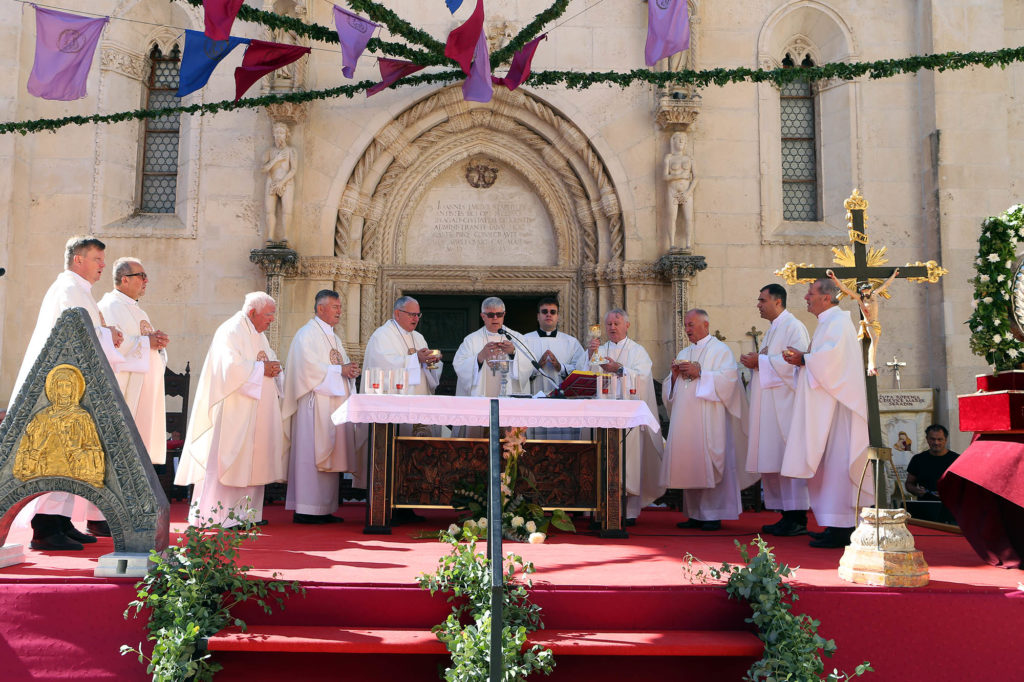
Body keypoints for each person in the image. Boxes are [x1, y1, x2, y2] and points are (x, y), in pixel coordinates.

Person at [9, 236, 125, 551]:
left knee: (71, 456)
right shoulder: (68, 289)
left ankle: (61, 521)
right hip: (60, 388)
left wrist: (106, 333)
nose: (103, 265)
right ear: (78, 260)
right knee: (57, 456)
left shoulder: (78, 290)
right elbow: (72, 334)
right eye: (98, 259)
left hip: (74, 384)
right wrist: (107, 333)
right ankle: (45, 529)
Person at [175, 292, 287, 527]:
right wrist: (261, 369)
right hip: (233, 411)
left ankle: (246, 515)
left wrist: (275, 369)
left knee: (253, 459)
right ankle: (218, 516)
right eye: (268, 315)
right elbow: (230, 369)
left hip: (255, 410)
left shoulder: (258, 335)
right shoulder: (231, 330)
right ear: (252, 313)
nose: (272, 320)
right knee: (230, 459)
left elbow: (266, 360)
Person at [781, 277, 872, 549]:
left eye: (810, 294)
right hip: (830, 405)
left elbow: (832, 362)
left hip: (840, 410)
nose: (806, 298)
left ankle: (843, 528)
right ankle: (835, 524)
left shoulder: (839, 322)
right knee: (829, 468)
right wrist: (804, 358)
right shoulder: (828, 323)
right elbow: (825, 360)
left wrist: (805, 358)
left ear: (827, 297)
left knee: (837, 467)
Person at [662, 309, 748, 531]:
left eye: (691, 324)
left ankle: (712, 515)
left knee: (709, 461)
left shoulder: (721, 351)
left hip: (711, 418)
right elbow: (672, 389)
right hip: (686, 419)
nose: (687, 329)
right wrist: (673, 375)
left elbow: (730, 381)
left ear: (706, 325)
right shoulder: (685, 351)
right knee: (691, 462)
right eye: (686, 325)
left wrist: (701, 372)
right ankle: (695, 514)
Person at [281, 290, 360, 524]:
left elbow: (337, 365)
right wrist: (340, 371)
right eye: (335, 307)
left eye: (340, 307)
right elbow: (307, 370)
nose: (340, 311)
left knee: (330, 454)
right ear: (320, 308)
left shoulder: (333, 337)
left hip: (331, 405)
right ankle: (306, 509)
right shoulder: (306, 334)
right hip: (313, 406)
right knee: (311, 454)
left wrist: (349, 371)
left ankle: (324, 508)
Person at [740, 284, 811, 536]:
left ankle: (797, 516)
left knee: (788, 458)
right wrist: (757, 362)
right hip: (770, 406)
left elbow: (798, 365)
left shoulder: (794, 327)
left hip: (786, 407)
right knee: (774, 459)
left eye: (762, 300)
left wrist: (760, 361)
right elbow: (772, 361)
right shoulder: (773, 330)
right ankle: (784, 514)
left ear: (778, 301)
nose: (758, 304)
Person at [588, 308, 665, 522]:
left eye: (617, 323)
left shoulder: (637, 351)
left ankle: (629, 511)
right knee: (601, 460)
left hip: (628, 417)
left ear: (627, 325)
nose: (612, 327)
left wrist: (620, 369)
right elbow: (585, 378)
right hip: (602, 416)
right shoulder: (599, 350)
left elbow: (643, 377)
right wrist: (589, 358)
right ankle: (600, 508)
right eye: (609, 324)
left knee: (630, 462)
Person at [98, 258, 169, 471]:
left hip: (144, 388)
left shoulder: (139, 311)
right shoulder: (109, 306)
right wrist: (147, 342)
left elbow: (145, 344)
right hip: (125, 388)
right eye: (141, 276)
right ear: (124, 280)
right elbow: (112, 345)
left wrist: (159, 344)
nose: (146, 280)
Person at [363, 295, 442, 399]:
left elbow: (427, 373)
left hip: (419, 397)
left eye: (418, 315)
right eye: (412, 314)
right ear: (397, 314)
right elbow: (381, 368)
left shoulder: (419, 337)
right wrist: (416, 358)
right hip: (394, 400)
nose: (416, 319)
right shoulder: (381, 335)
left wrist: (431, 361)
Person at [453, 297, 533, 398]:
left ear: (504, 315)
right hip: (481, 397)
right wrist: (480, 357)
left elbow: (529, 363)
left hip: (508, 398)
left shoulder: (516, 338)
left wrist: (513, 352)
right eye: (490, 315)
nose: (495, 318)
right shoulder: (471, 340)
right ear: (483, 316)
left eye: (499, 314)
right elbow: (459, 365)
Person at [827, 268, 899, 376]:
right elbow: (845, 289)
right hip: (869, 324)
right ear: (861, 291)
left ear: (870, 289)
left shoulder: (874, 294)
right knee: (874, 343)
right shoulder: (860, 299)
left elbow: (885, 285)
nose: (866, 293)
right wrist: (834, 278)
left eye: (868, 290)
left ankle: (870, 366)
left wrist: (894, 275)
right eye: (864, 291)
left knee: (873, 343)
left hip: (876, 323)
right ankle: (871, 366)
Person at [523, 296, 587, 395]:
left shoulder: (571, 342)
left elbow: (581, 368)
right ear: (538, 316)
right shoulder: (525, 340)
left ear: (558, 317)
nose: (548, 315)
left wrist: (560, 367)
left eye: (552, 312)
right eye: (544, 312)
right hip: (534, 396)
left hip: (563, 398)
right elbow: (518, 370)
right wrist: (537, 367)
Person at [263, 121, 298, 246]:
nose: (279, 135)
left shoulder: (291, 151)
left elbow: (293, 169)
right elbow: (264, 168)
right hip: (271, 182)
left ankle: (285, 236)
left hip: (286, 183)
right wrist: (276, 159)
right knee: (269, 210)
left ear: (286, 135)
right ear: (273, 134)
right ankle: (270, 236)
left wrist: (282, 183)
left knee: (287, 210)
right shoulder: (270, 151)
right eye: (277, 132)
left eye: (281, 132)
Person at [906, 424, 959, 501]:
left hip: (951, 507)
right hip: (926, 507)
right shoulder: (918, 459)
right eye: (932, 439)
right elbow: (909, 483)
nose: (936, 442)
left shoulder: (957, 460)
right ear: (927, 439)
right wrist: (916, 490)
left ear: (945, 439)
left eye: (939, 439)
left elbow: (965, 485)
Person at [663, 131, 696, 251]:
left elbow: (696, 177)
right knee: (672, 218)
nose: (681, 141)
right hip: (672, 191)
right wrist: (680, 175)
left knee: (688, 218)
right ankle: (671, 244)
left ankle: (688, 244)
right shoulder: (669, 158)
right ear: (673, 141)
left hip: (686, 192)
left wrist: (688, 192)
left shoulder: (689, 158)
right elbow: (665, 176)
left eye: (683, 139)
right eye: (679, 139)